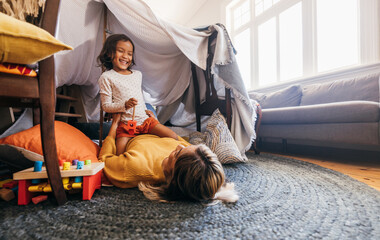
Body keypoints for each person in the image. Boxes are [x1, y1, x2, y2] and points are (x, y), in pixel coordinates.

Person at [99, 113, 239, 204]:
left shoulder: (134, 166)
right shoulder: (190, 154)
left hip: (128, 132)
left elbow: (105, 159)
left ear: (172, 178)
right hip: (148, 124)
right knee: (144, 105)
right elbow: (173, 137)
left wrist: (114, 125)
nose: (179, 146)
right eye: (184, 147)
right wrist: (155, 122)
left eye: (177, 154)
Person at [97, 34, 178, 155]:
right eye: (121, 51)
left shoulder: (137, 74)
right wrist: (125, 105)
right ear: (109, 53)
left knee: (173, 137)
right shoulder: (106, 77)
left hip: (145, 121)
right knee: (120, 153)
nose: (125, 56)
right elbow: (106, 106)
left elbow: (139, 95)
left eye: (129, 53)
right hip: (125, 124)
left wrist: (146, 110)